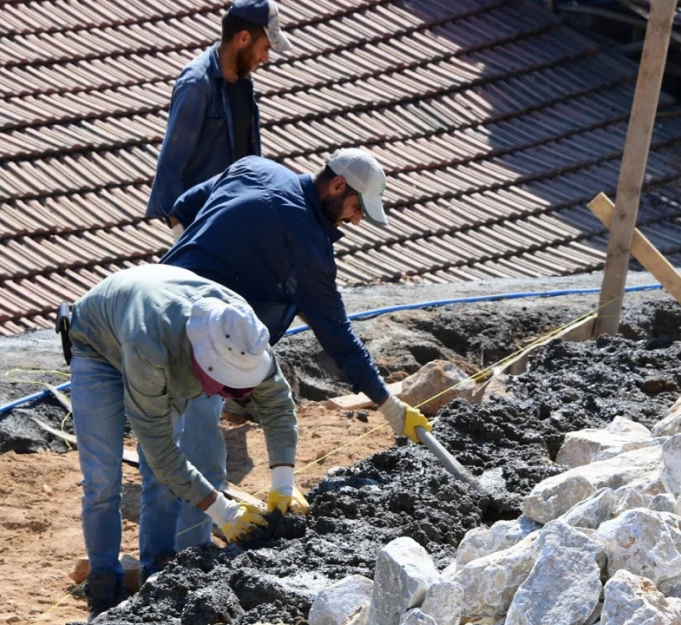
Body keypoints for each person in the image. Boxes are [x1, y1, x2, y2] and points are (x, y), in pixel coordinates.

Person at [158, 148, 432, 549]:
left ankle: (159, 556)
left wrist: (190, 267)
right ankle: (187, 562)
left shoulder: (256, 167)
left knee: (166, 442)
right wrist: (388, 406)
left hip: (162, 310)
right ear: (337, 185)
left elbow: (181, 208)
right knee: (203, 458)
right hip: (207, 350)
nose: (356, 219)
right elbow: (339, 338)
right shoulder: (306, 247)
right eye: (357, 207)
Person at [61, 264, 309, 620]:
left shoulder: (241, 330)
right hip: (98, 346)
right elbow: (161, 450)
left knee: (163, 484)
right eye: (227, 386)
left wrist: (284, 483)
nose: (231, 396)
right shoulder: (153, 348)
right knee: (102, 480)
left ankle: (159, 578)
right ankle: (104, 586)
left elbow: (277, 403)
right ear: (204, 364)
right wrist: (222, 511)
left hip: (155, 333)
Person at [146, 0, 291, 237]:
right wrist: (181, 232)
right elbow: (170, 168)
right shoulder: (196, 84)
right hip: (200, 225)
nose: (266, 58)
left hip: (234, 221)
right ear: (243, 38)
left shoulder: (243, 82)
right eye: (265, 47)